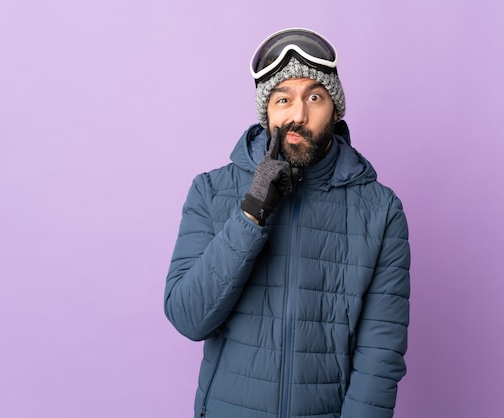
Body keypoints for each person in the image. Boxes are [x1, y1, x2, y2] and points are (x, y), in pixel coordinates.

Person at [164, 28, 410, 418]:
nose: (298, 115)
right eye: (283, 99)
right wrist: (252, 210)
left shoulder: (381, 210)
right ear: (267, 112)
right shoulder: (210, 191)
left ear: (335, 107)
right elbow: (189, 318)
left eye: (314, 97)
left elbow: (381, 352)